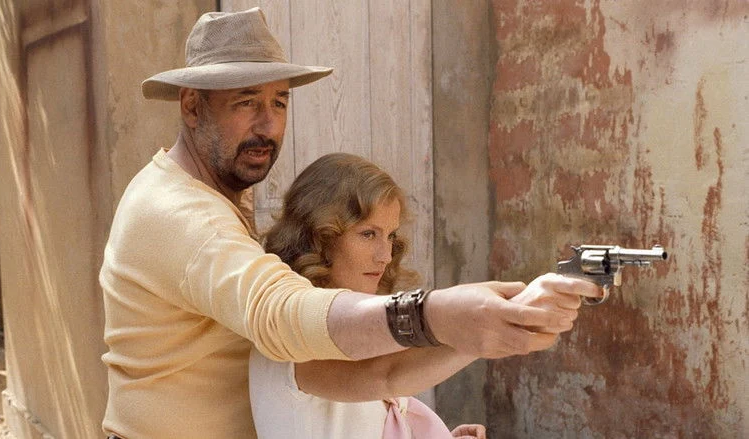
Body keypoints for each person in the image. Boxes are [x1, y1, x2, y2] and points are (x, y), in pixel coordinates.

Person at [100, 7, 601, 439]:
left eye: (279, 101)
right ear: (192, 107)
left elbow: (382, 375)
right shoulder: (180, 212)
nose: (268, 124)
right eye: (246, 101)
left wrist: (486, 321)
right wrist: (433, 315)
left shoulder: (222, 191)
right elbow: (279, 313)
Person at [250, 152, 487, 438]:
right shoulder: (289, 334)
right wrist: (484, 332)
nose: (385, 256)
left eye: (390, 235)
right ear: (319, 235)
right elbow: (386, 375)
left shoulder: (355, 335)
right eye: (368, 234)